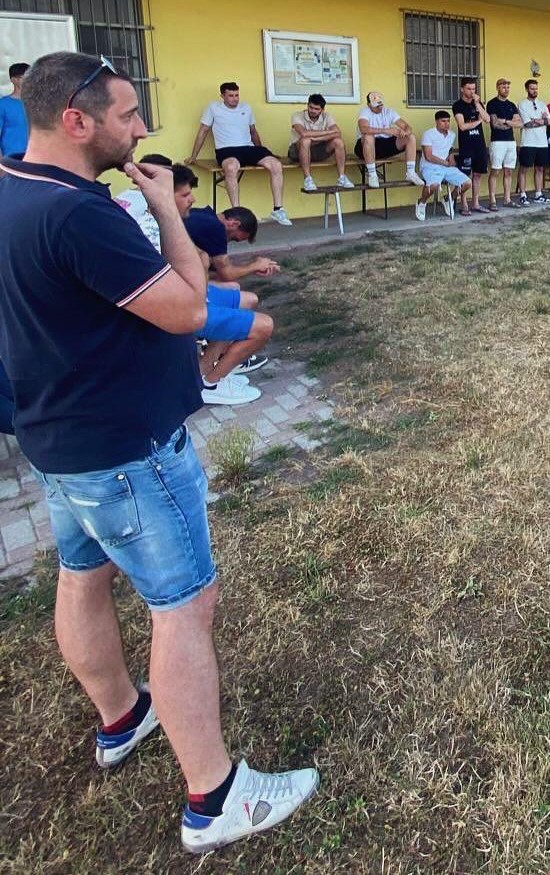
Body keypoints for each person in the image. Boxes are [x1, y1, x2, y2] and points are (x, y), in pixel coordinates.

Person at [0, 51, 318, 853]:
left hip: (56, 438)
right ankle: (214, 797)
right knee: (183, 605)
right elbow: (187, 308)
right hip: (127, 447)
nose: (141, 129)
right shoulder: (80, 214)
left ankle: (122, 717)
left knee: (82, 574)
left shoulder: (12, 186)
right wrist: (166, 211)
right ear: (76, 121)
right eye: (127, 115)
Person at [116, 158, 272, 406]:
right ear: (164, 195)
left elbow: (197, 262)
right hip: (174, 309)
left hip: (183, 297)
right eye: (186, 194)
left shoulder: (149, 214)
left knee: (247, 300)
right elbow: (192, 278)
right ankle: (212, 384)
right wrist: (247, 266)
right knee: (263, 326)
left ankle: (203, 372)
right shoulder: (151, 227)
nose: (193, 199)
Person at [187, 81, 291, 225]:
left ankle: (278, 210)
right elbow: (203, 131)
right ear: (222, 96)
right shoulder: (213, 108)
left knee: (276, 165)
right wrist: (194, 156)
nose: (235, 99)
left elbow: (253, 132)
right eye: (231, 96)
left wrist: (263, 152)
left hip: (248, 148)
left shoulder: (246, 108)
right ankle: (237, 213)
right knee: (231, 168)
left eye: (237, 95)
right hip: (226, 149)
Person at [355, 91, 424, 188]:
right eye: (376, 106)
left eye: (381, 105)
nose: (380, 107)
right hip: (364, 147)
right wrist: (385, 130)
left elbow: (407, 127)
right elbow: (363, 128)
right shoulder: (365, 112)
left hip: (384, 146)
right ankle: (372, 175)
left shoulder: (389, 112)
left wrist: (405, 132)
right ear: (369, 105)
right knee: (368, 136)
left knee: (410, 137)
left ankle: (411, 173)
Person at [289, 93, 354, 190]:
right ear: (307, 105)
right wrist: (327, 133)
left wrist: (316, 138)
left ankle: (342, 177)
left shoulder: (327, 116)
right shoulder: (297, 115)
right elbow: (304, 133)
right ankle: (307, 179)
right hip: (297, 152)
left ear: (322, 110)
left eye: (316, 109)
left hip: (318, 150)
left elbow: (337, 133)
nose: (313, 111)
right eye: (311, 107)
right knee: (305, 141)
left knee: (338, 141)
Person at [415, 110, 471, 221]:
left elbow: (449, 150)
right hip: (429, 167)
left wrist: (451, 161)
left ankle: (447, 199)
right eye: (443, 121)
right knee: (434, 185)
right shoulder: (428, 134)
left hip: (446, 167)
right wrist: (446, 163)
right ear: (436, 121)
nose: (446, 124)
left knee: (467, 183)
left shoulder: (452, 135)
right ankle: (421, 202)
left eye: (448, 121)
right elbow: (428, 156)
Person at [452, 76, 491, 214]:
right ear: (462, 89)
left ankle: (475, 203)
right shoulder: (458, 105)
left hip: (480, 145)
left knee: (478, 175)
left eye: (474, 89)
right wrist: (478, 122)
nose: (472, 91)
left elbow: (487, 119)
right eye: (469, 89)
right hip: (466, 146)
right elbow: (462, 126)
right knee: (465, 176)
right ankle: (463, 204)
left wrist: (477, 103)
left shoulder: (477, 103)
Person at [486, 77, 520, 210]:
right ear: (498, 88)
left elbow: (519, 123)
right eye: (503, 87)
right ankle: (492, 200)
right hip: (497, 142)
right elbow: (494, 124)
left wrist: (505, 121)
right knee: (495, 171)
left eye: (508, 87)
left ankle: (507, 199)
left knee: (508, 171)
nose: (506, 89)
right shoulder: (492, 104)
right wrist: (510, 123)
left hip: (511, 141)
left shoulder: (511, 105)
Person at [517, 78, 550, 206]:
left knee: (540, 168)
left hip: (542, 142)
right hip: (528, 142)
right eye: (532, 88)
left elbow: (549, 121)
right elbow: (527, 124)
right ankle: (522, 194)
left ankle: (538, 194)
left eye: (536, 88)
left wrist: (535, 120)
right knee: (524, 168)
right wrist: (541, 120)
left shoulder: (542, 104)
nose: (534, 91)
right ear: (527, 89)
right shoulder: (522, 104)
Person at [0, 62, 30, 157]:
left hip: (33, 158)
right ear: (14, 80)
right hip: (11, 159)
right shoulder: (3, 104)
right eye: (25, 77)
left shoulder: (35, 104)